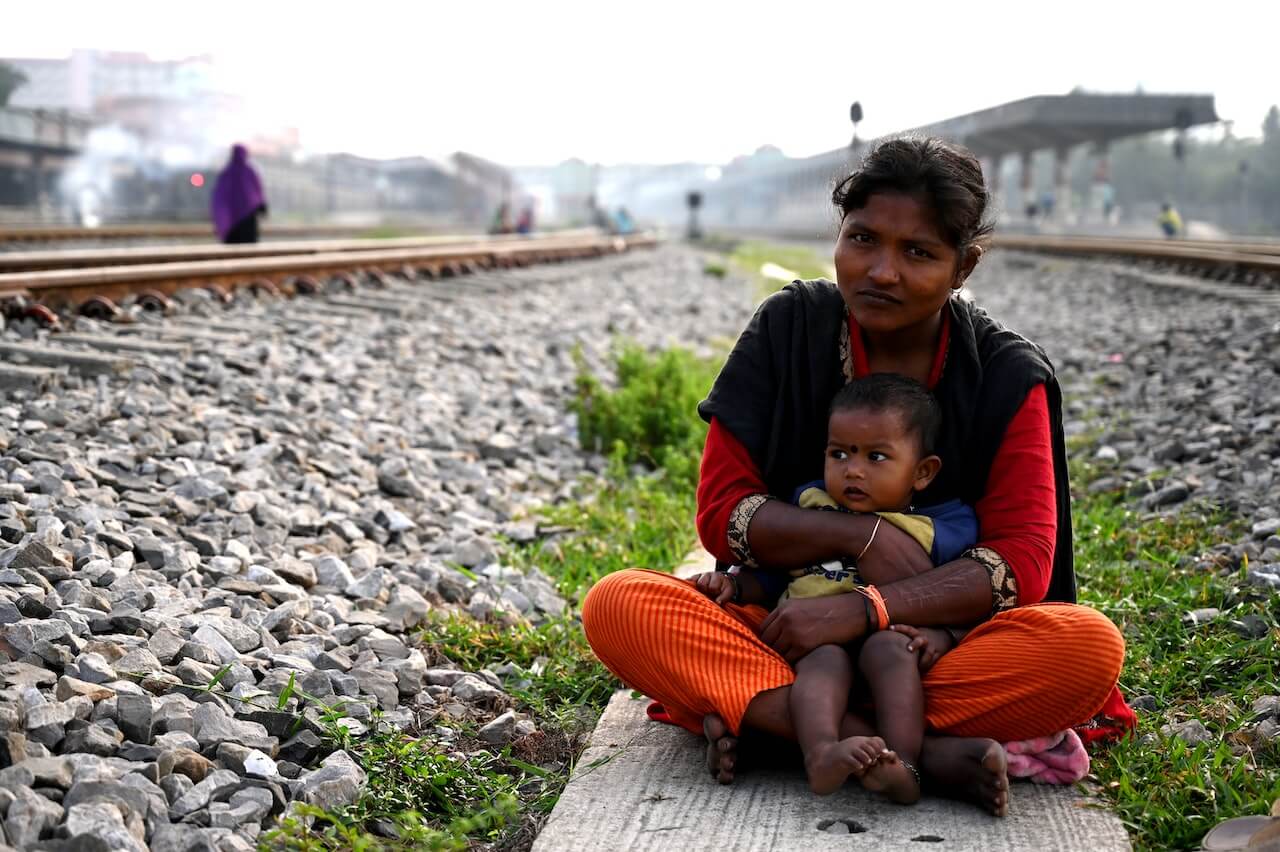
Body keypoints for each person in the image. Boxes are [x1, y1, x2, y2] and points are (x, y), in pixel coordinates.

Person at [581, 137, 1133, 818]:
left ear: (965, 266)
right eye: (863, 238)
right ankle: (915, 751)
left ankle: (783, 722)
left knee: (1087, 650)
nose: (881, 271)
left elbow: (1023, 563)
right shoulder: (788, 328)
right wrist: (861, 536)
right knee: (619, 604)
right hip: (784, 629)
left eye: (919, 253)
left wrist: (865, 610)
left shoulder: (1005, 374)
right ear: (838, 234)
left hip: (929, 651)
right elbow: (722, 511)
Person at [692, 374, 978, 803]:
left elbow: (961, 598)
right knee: (822, 662)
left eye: (876, 456)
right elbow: (777, 574)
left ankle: (902, 765)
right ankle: (821, 752)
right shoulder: (811, 504)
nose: (853, 470)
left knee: (893, 654)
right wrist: (733, 584)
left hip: (888, 645)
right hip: (811, 649)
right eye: (839, 453)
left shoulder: (943, 528)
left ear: (922, 472)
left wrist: (941, 636)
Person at [211, 144, 267, 244]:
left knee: (232, 254)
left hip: (231, 224)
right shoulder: (250, 172)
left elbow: (219, 198)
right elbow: (258, 193)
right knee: (249, 253)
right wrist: (262, 207)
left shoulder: (227, 173)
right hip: (249, 222)